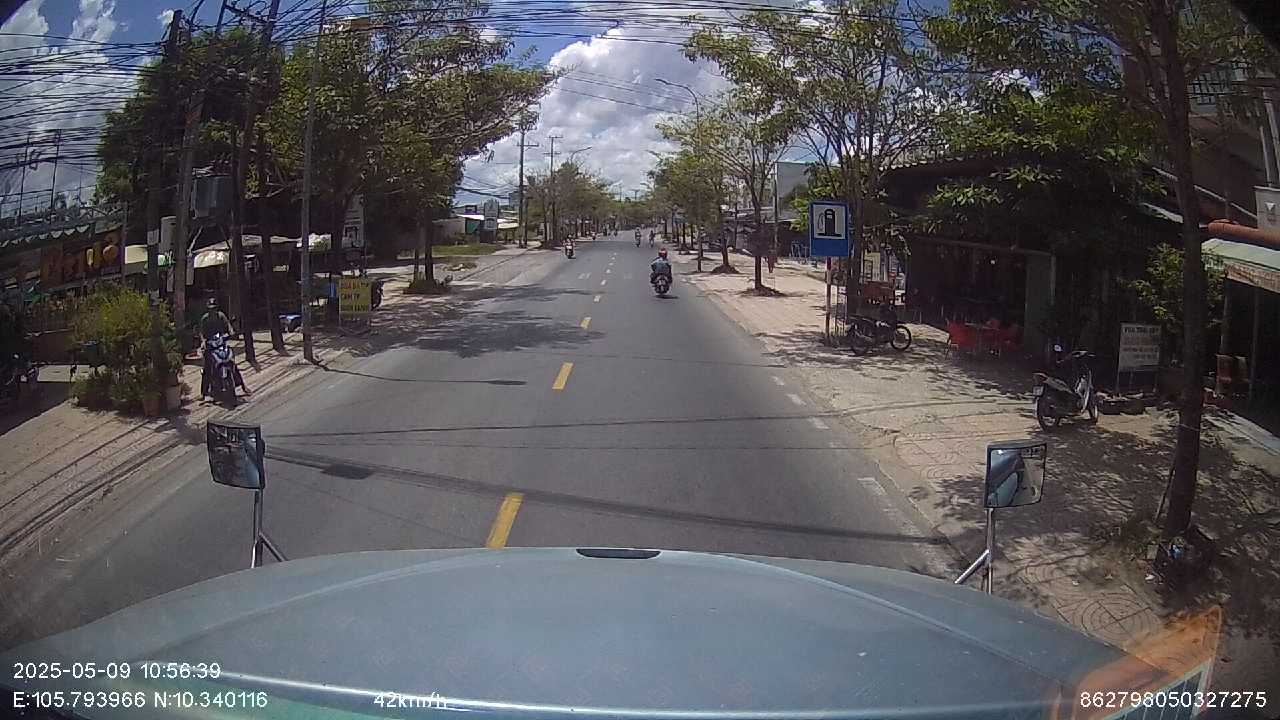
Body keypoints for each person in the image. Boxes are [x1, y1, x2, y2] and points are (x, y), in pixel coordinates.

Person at [199, 298, 247, 398]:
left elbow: (228, 325)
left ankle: (243, 386)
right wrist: (203, 341)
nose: (212, 311)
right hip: (210, 344)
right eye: (210, 309)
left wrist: (231, 331)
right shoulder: (205, 319)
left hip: (221, 342)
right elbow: (201, 333)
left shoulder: (221, 316)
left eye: (214, 309)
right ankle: (203, 393)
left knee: (232, 362)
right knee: (207, 367)